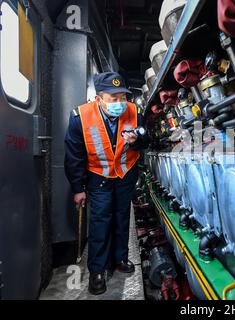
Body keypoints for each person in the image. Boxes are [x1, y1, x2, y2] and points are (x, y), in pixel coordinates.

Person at [64, 72, 149, 295]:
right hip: (98, 176)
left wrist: (137, 140)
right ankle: (98, 270)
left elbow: (146, 139)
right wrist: (77, 189)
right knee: (101, 221)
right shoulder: (80, 117)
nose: (120, 103)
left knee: (122, 217)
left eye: (123, 96)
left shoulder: (134, 111)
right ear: (99, 99)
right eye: (114, 98)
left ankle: (120, 258)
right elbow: (74, 156)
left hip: (124, 175)